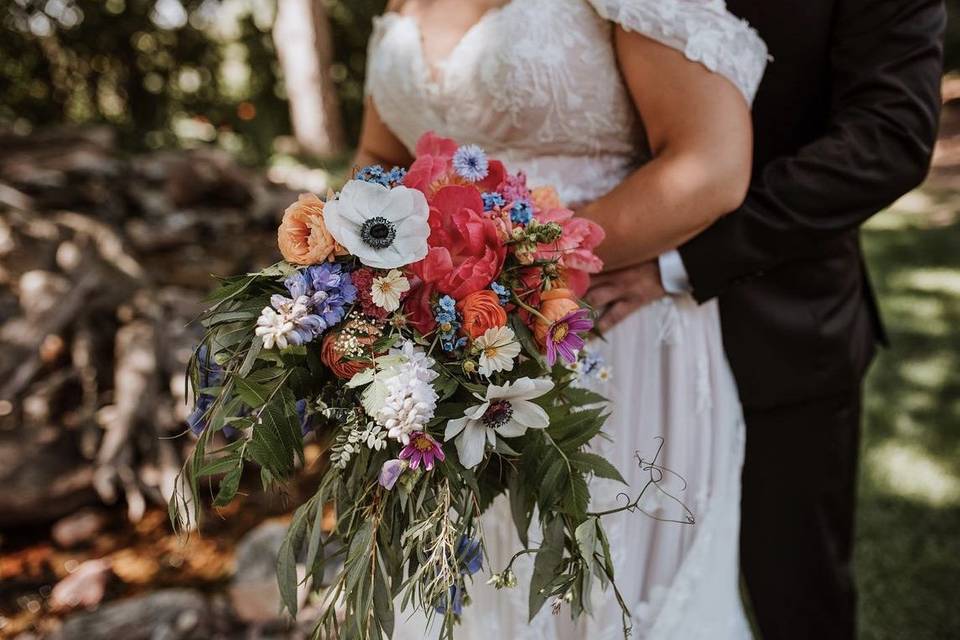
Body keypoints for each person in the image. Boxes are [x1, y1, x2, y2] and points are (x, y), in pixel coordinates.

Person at [358, 0, 765, 636]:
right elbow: (377, 156)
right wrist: (367, 280)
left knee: (603, 590)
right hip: (445, 352)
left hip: (606, 336)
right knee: (479, 584)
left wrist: (509, 274)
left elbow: (712, 162)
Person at [588, 1, 945, 638]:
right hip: (603, 342)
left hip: (785, 327)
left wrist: (681, 258)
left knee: (797, 602)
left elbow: (889, 137)